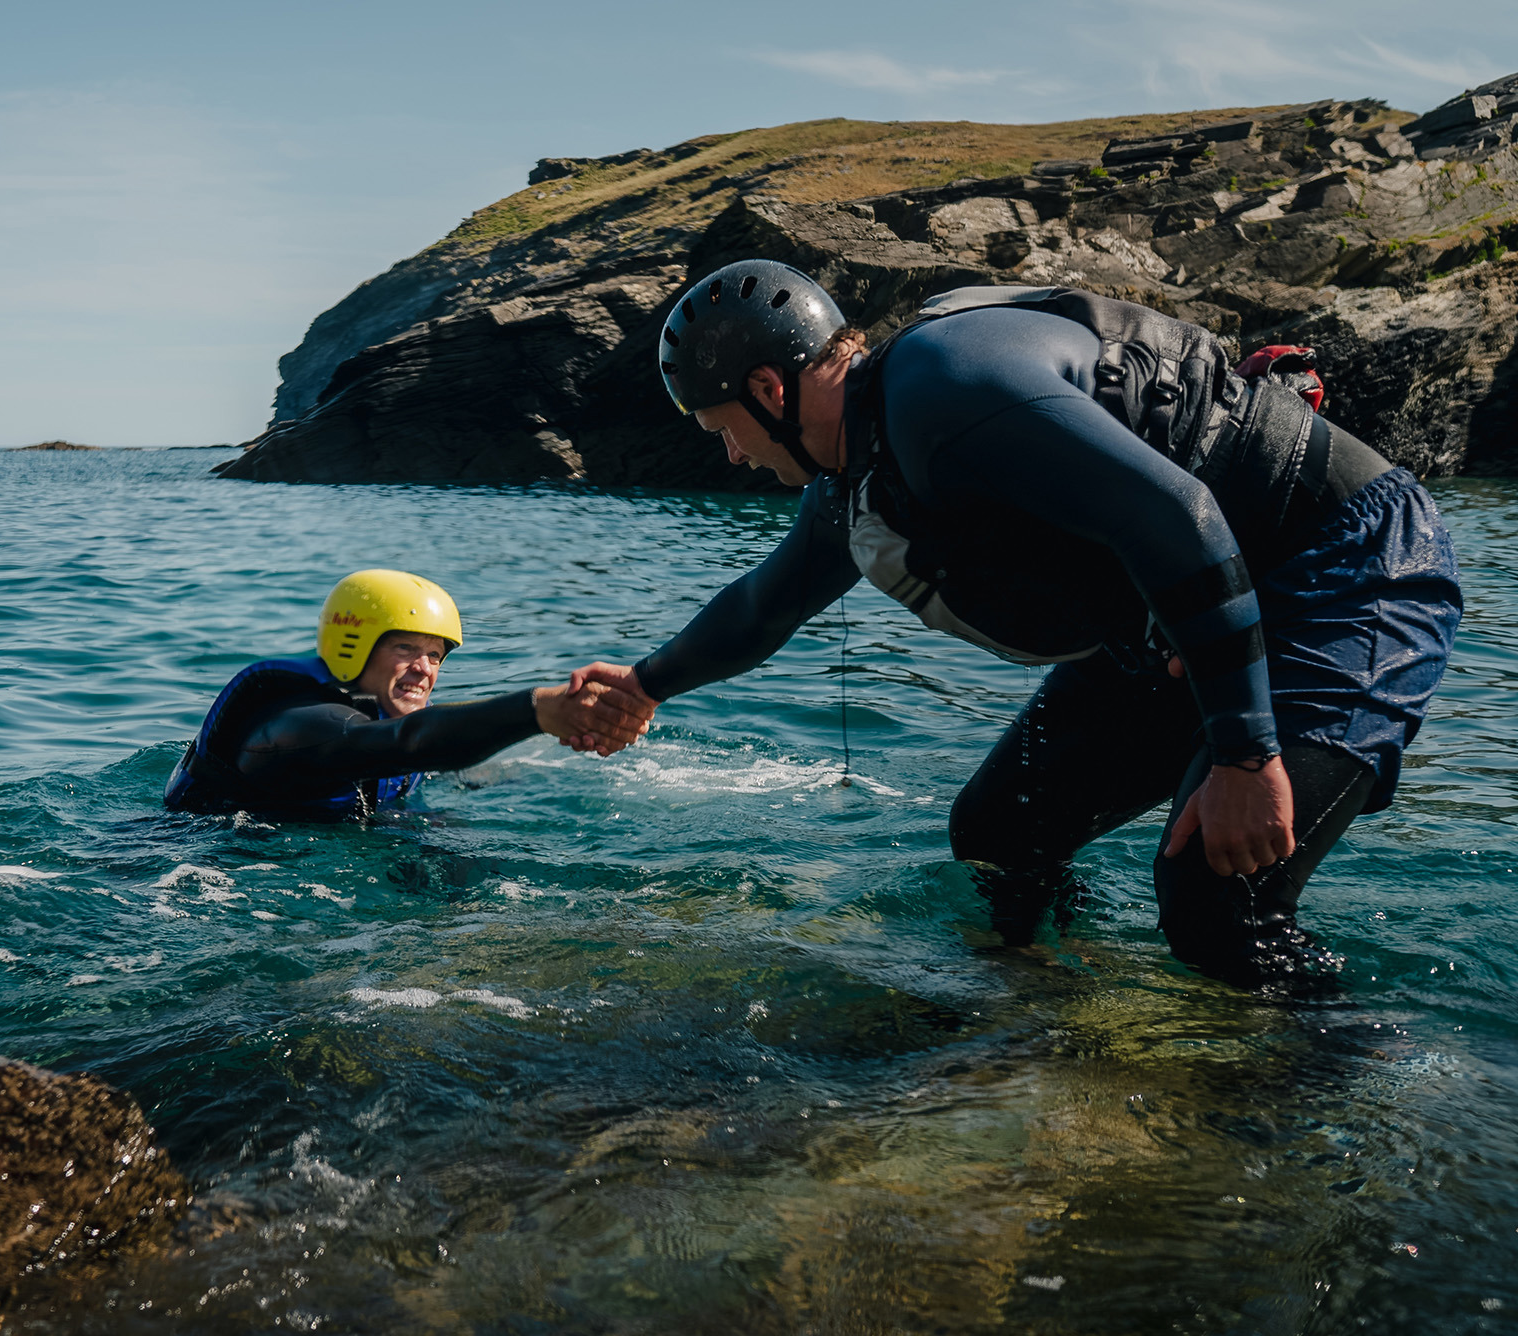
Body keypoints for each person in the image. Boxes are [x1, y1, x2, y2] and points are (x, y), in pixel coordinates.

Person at [571, 260, 1460, 986]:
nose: (729, 453)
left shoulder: (943, 390)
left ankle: (1362, 1098)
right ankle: (1053, 1015)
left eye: (722, 427)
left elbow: (1182, 517)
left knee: (1214, 890)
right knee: (1002, 835)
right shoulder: (863, 472)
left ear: (770, 389)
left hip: (1342, 564)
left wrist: (1244, 753)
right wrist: (644, 685)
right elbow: (767, 605)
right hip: (1190, 611)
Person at [164, 569, 652, 819]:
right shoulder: (300, 726)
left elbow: (433, 753)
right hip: (210, 866)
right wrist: (537, 711)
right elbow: (408, 744)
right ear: (353, 645)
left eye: (436, 655)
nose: (424, 669)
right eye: (405, 648)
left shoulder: (374, 716)